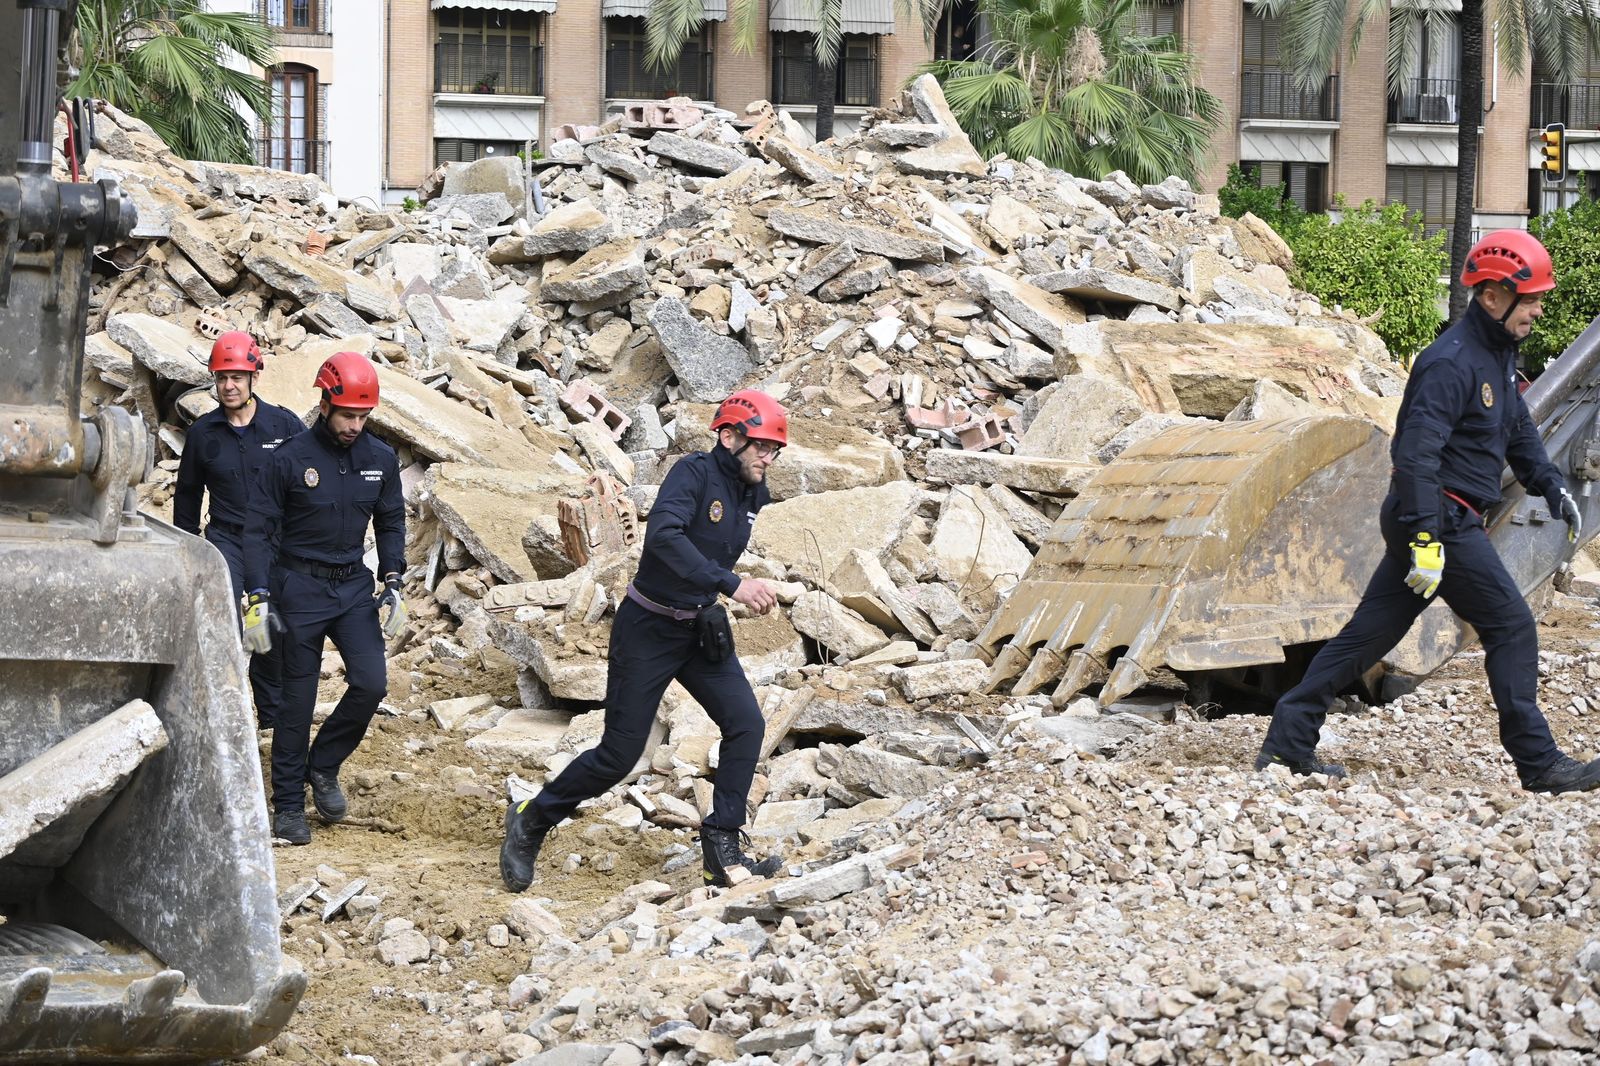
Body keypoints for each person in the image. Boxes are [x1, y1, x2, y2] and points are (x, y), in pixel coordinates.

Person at [1255, 230, 1600, 794]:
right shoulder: (1449, 363)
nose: (1539, 309)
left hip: (1441, 519)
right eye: (1531, 297)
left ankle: (1287, 745)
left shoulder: (1497, 354)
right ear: (1493, 296)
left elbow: (1515, 426)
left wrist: (1549, 484)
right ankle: (1540, 766)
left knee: (1367, 637)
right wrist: (1424, 537)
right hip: (1439, 518)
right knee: (1510, 624)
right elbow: (1414, 455)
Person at [500, 389, 789, 892]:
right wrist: (733, 584)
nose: (769, 457)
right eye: (761, 446)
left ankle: (721, 847)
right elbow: (663, 538)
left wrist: (717, 591)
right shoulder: (692, 473)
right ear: (729, 436)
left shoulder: (751, 491)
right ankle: (530, 818)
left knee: (746, 724)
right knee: (618, 754)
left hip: (700, 628)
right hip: (648, 628)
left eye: (774, 450)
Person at [241, 352, 408, 845]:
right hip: (298, 586)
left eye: (363, 417)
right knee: (297, 701)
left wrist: (394, 578)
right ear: (325, 402)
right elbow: (258, 532)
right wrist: (257, 595)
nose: (355, 426)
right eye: (347, 415)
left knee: (371, 684)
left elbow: (392, 520)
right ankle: (289, 806)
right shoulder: (288, 459)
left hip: (353, 586)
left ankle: (324, 764)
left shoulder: (380, 459)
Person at [172, 331, 303, 729]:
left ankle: (271, 718)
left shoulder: (285, 425)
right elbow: (189, 495)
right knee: (223, 622)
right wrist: (187, 548)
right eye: (221, 377)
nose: (228, 385)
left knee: (272, 629)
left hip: (275, 543)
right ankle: (225, 711)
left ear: (253, 378)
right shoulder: (203, 434)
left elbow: (308, 485)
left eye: (237, 377)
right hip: (226, 539)